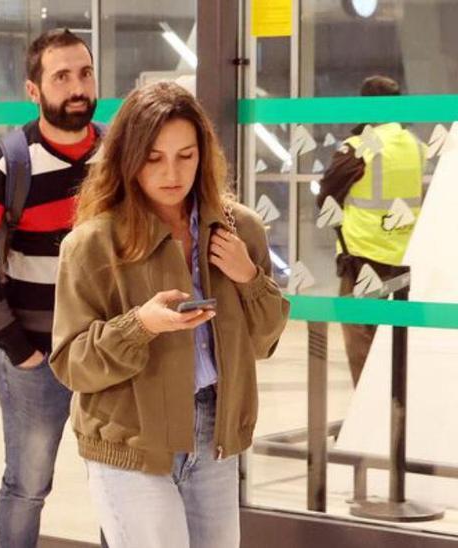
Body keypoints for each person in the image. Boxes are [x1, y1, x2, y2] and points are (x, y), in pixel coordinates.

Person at [50, 81, 290, 548]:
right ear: (128, 158)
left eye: (186, 155)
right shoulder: (92, 243)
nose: (171, 172)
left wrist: (248, 277)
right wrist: (140, 325)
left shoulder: (239, 229)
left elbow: (266, 340)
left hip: (213, 432)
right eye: (153, 157)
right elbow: (71, 362)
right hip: (131, 442)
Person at [0, 28, 105, 547]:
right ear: (33, 89)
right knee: (27, 486)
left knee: (122, 482)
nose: (77, 87)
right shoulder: (4, 166)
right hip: (35, 361)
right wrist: (20, 352)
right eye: (61, 76)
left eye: (84, 73)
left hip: (110, 359)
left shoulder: (119, 159)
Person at [316, 75, 425, 386]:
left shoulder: (363, 144)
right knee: (395, 344)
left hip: (364, 256)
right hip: (403, 256)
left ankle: (369, 421)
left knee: (361, 340)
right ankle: (396, 413)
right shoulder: (414, 144)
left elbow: (326, 192)